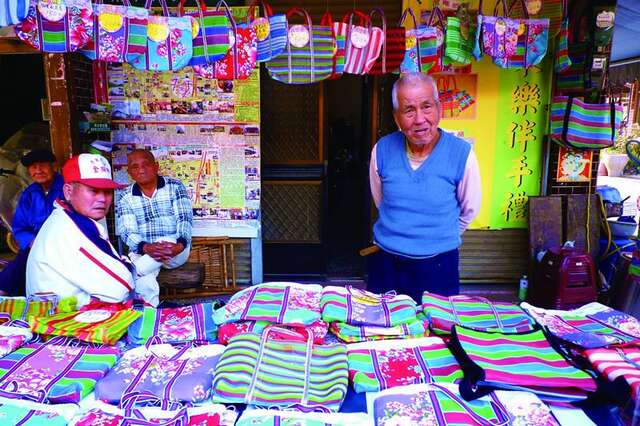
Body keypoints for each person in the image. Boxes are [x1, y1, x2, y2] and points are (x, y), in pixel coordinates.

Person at [368, 73, 482, 303]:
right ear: (397, 117)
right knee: (381, 329)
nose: (419, 119)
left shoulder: (461, 154)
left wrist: (436, 238)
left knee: (435, 331)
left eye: (427, 106)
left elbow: (469, 211)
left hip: (438, 266)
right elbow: (382, 202)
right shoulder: (382, 150)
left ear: (439, 109)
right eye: (409, 110)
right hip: (386, 264)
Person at [26, 154, 134, 307]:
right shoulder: (70, 227)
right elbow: (122, 288)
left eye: (108, 191)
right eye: (93, 190)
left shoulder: (67, 216)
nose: (103, 199)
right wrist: (129, 263)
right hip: (64, 325)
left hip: (64, 317)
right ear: (68, 191)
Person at [116, 149, 193, 307]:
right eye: (135, 167)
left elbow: (184, 219)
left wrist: (179, 245)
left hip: (175, 250)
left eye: (146, 164)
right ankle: (151, 316)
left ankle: (128, 274)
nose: (141, 170)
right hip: (143, 252)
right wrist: (145, 247)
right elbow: (128, 231)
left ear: (156, 166)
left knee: (164, 241)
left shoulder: (175, 187)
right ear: (130, 172)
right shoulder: (125, 196)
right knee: (145, 281)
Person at [0, 149, 64, 296]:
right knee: (24, 262)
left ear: (53, 166)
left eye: (42, 165)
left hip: (62, 243)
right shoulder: (29, 194)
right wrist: (31, 241)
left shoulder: (67, 188)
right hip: (36, 245)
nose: (38, 170)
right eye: (33, 167)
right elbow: (19, 227)